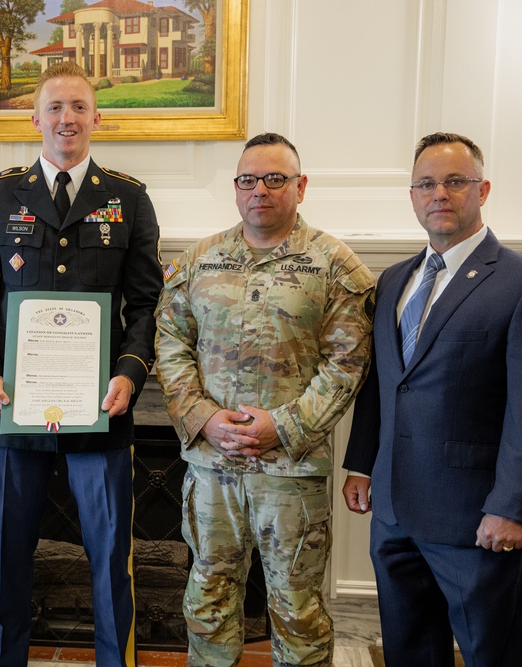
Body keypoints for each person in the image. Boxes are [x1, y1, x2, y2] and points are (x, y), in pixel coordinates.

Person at [0, 61, 163, 667]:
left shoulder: (128, 197)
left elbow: (146, 303)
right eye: (54, 108)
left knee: (109, 561)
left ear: (97, 118)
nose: (66, 119)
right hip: (12, 410)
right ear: (35, 118)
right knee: (7, 557)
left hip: (102, 410)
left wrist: (129, 372)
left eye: (78, 108)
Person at [342, 132, 522, 666]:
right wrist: (361, 465)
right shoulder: (394, 281)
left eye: (454, 181)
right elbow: (384, 383)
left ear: (482, 189)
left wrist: (514, 507)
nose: (439, 193)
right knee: (409, 651)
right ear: (413, 195)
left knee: (490, 654)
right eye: (426, 183)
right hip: (394, 513)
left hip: (476, 520)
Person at [154, 133, 375, 667]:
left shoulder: (332, 264)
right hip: (211, 469)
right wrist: (203, 418)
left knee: (297, 611)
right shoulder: (199, 261)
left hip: (290, 473)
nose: (261, 190)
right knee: (206, 602)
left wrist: (285, 427)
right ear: (235, 189)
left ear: (300, 187)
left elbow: (348, 361)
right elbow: (169, 341)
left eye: (275, 179)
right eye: (248, 180)